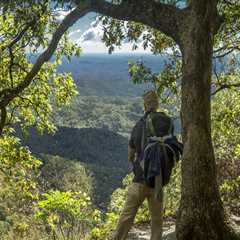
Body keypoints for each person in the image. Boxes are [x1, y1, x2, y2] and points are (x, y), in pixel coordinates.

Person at [112, 90, 182, 240]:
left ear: (145, 105)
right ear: (157, 105)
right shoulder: (166, 124)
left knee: (126, 217)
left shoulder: (138, 126)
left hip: (139, 181)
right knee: (157, 220)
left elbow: (130, 155)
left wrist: (138, 163)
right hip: (158, 181)